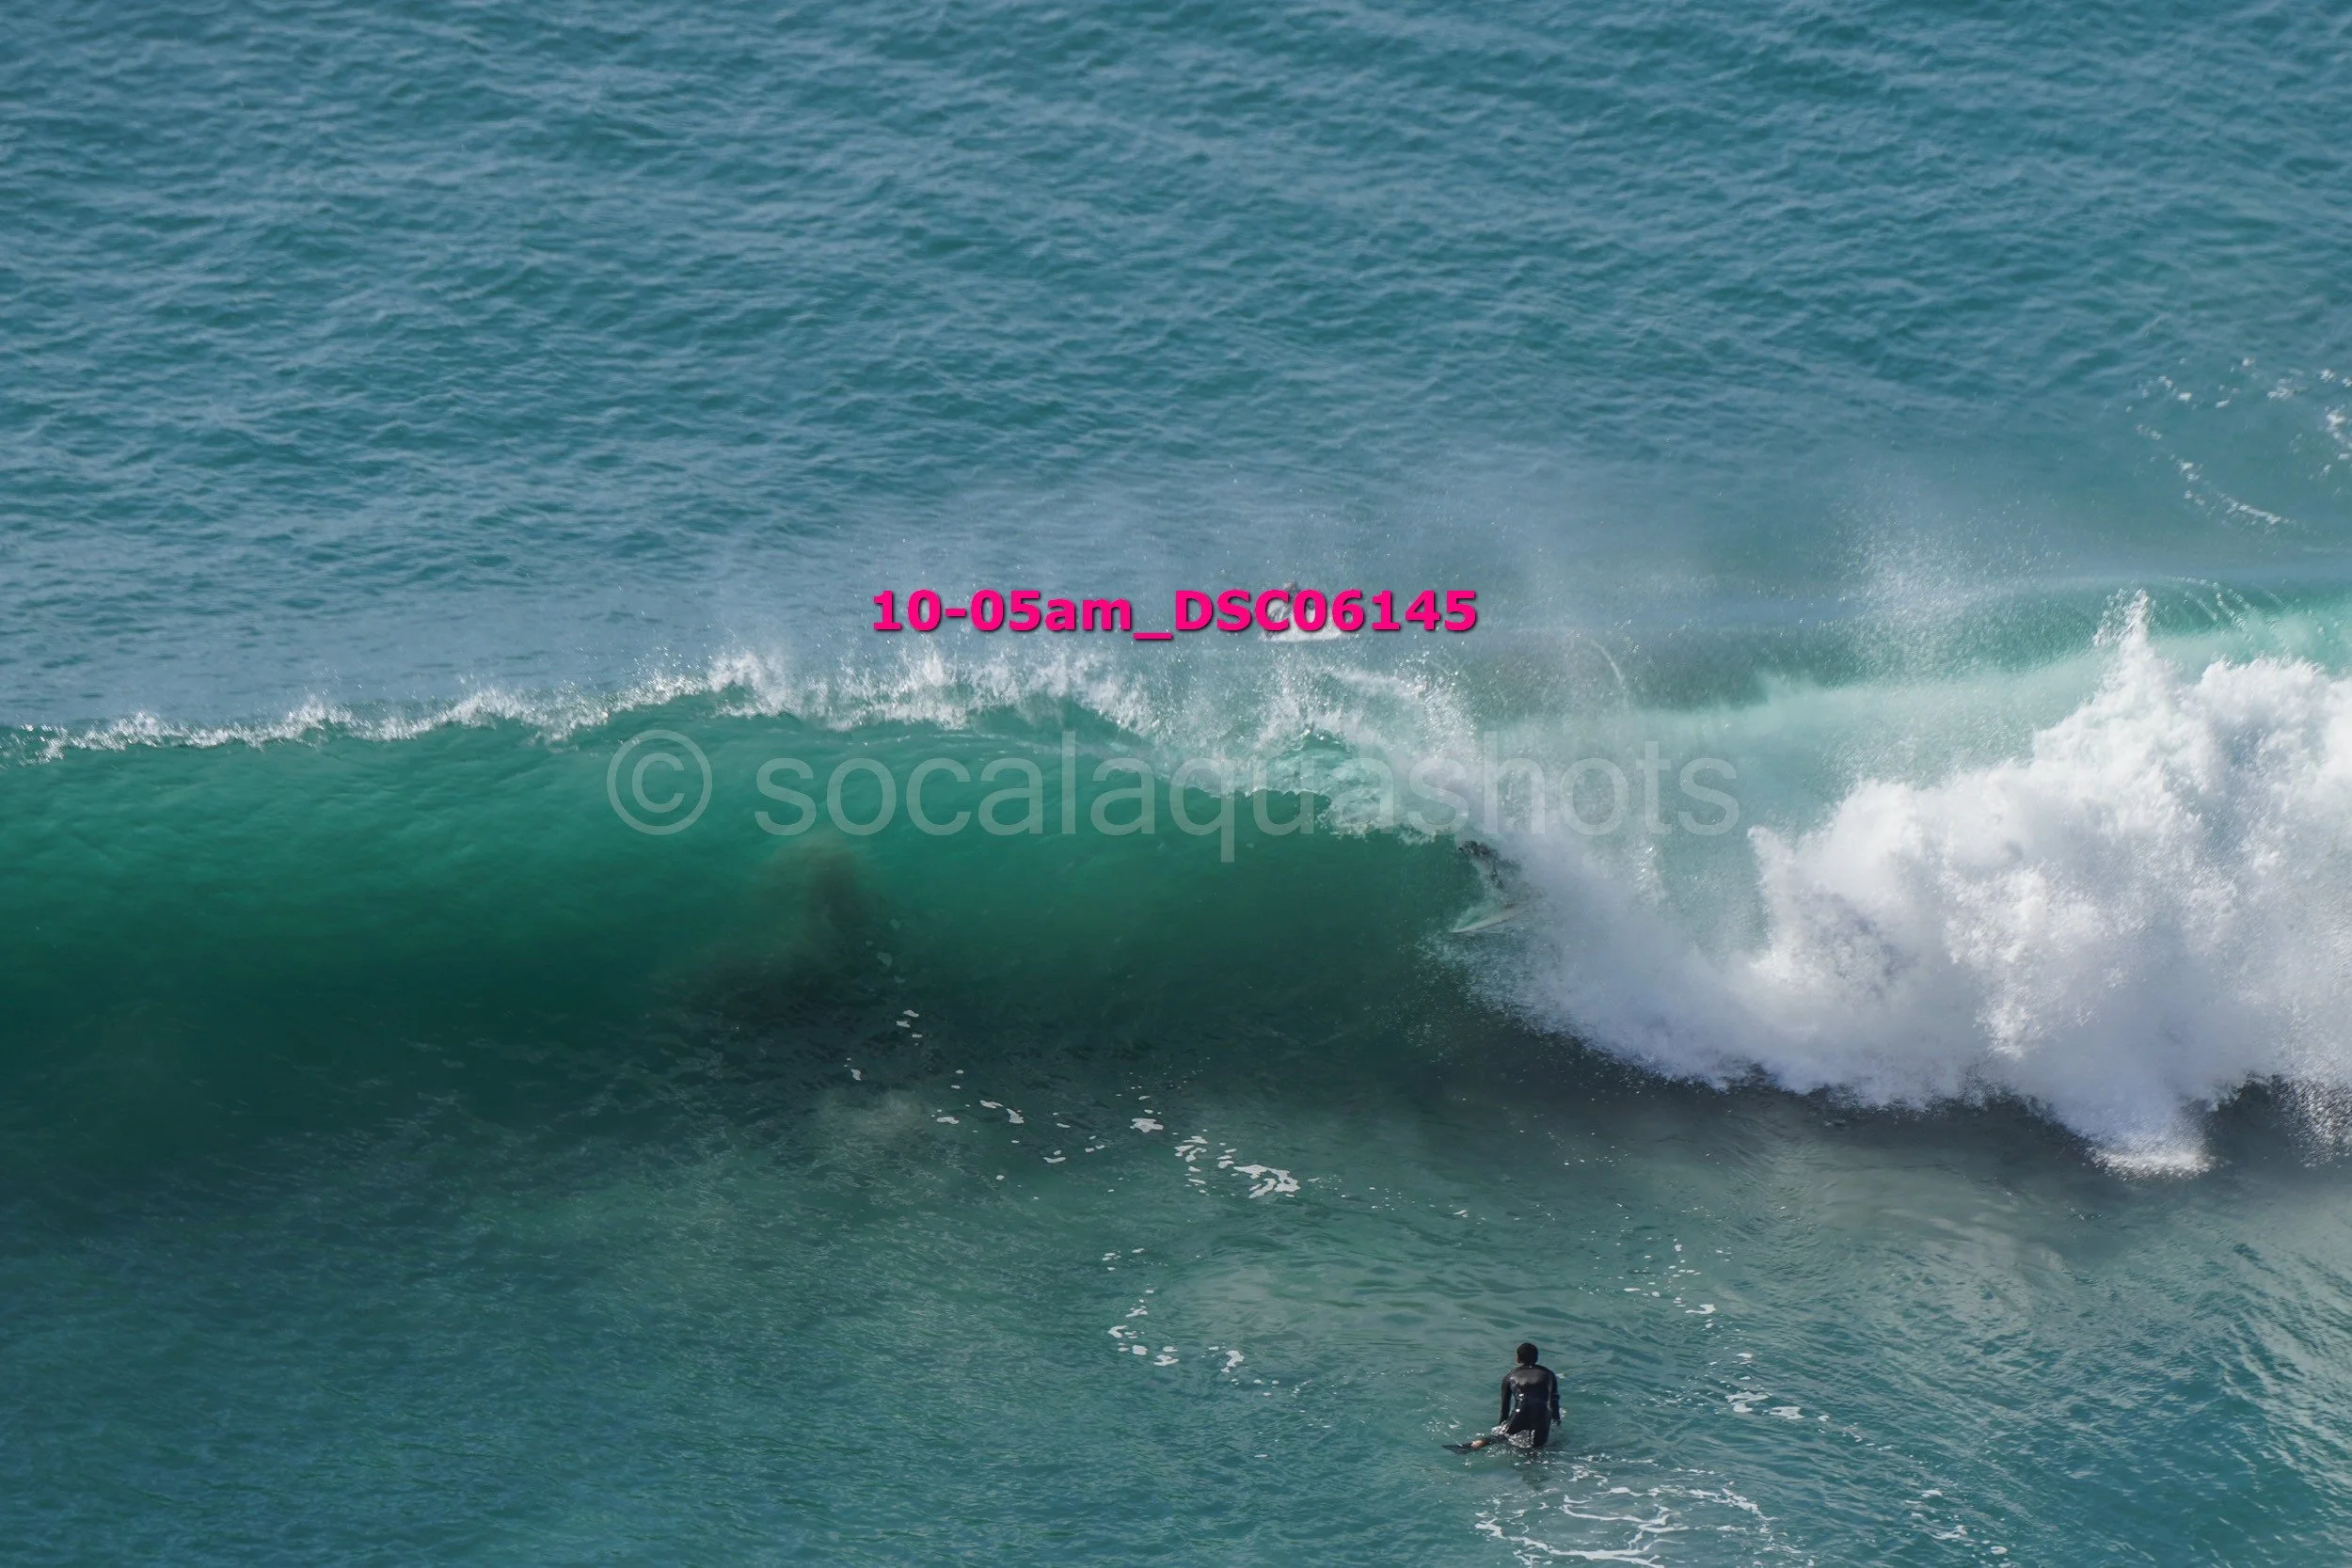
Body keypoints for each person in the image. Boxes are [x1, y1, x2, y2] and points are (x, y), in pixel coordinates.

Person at [1465, 1342, 1560, 1450]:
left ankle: (1476, 1444)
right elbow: (1554, 1401)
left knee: (1501, 1437)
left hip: (1521, 1410)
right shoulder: (1549, 1374)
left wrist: (1502, 1427)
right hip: (1541, 1412)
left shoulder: (1509, 1376)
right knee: (1536, 1449)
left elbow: (1505, 1408)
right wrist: (1556, 1423)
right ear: (1537, 1358)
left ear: (1518, 1359)